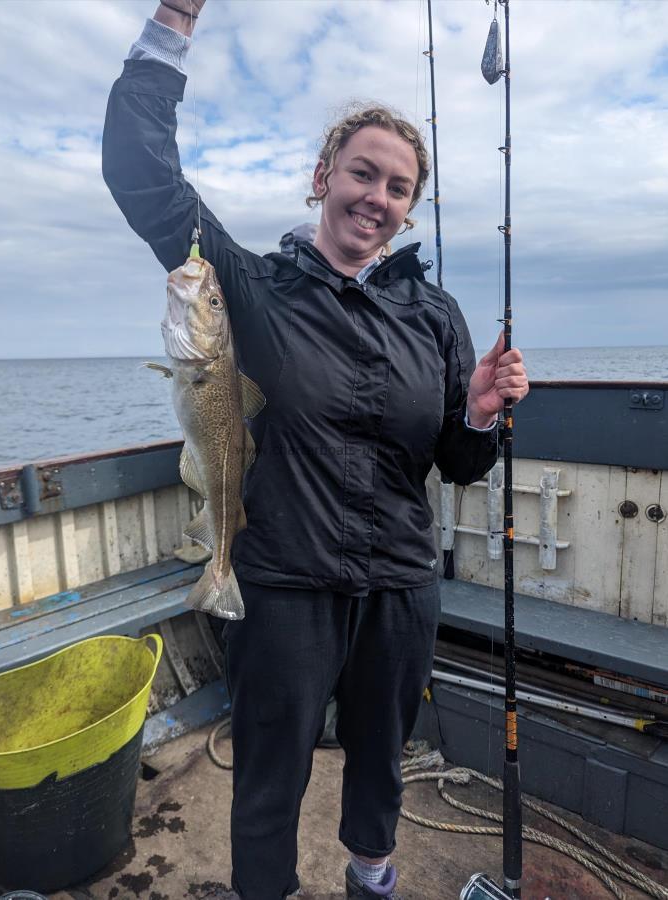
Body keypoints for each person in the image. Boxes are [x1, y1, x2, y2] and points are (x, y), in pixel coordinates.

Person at [102, 2, 530, 898]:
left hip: (400, 585)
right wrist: (173, 23)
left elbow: (455, 462)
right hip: (285, 579)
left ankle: (371, 876)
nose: (376, 197)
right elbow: (144, 177)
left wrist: (482, 412)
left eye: (398, 186)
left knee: (381, 752)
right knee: (271, 762)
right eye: (361, 173)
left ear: (410, 208)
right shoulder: (247, 287)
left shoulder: (435, 315)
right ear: (321, 175)